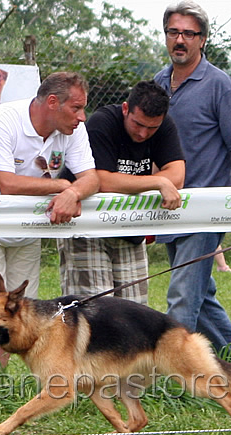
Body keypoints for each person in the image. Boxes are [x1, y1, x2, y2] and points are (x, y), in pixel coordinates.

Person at [0, 71, 99, 377]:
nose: (82, 117)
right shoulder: (3, 119)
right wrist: (63, 186)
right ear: (53, 102)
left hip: (28, 228)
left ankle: (4, 387)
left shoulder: (73, 130)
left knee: (20, 311)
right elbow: (6, 183)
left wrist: (74, 192)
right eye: (76, 108)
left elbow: (93, 178)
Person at [154, 1, 231, 359]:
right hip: (168, 207)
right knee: (201, 296)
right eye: (173, 32)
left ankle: (172, 381)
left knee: (182, 296)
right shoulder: (157, 83)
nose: (180, 40)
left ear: (202, 39)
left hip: (207, 211)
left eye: (188, 33)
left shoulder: (219, 85)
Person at [57, 80, 185, 305]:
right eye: (137, 124)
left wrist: (161, 182)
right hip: (87, 227)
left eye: (151, 128)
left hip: (130, 227)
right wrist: (158, 182)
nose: (144, 133)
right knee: (94, 308)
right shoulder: (102, 122)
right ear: (126, 109)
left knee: (134, 310)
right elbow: (100, 180)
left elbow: (177, 175)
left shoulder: (165, 126)